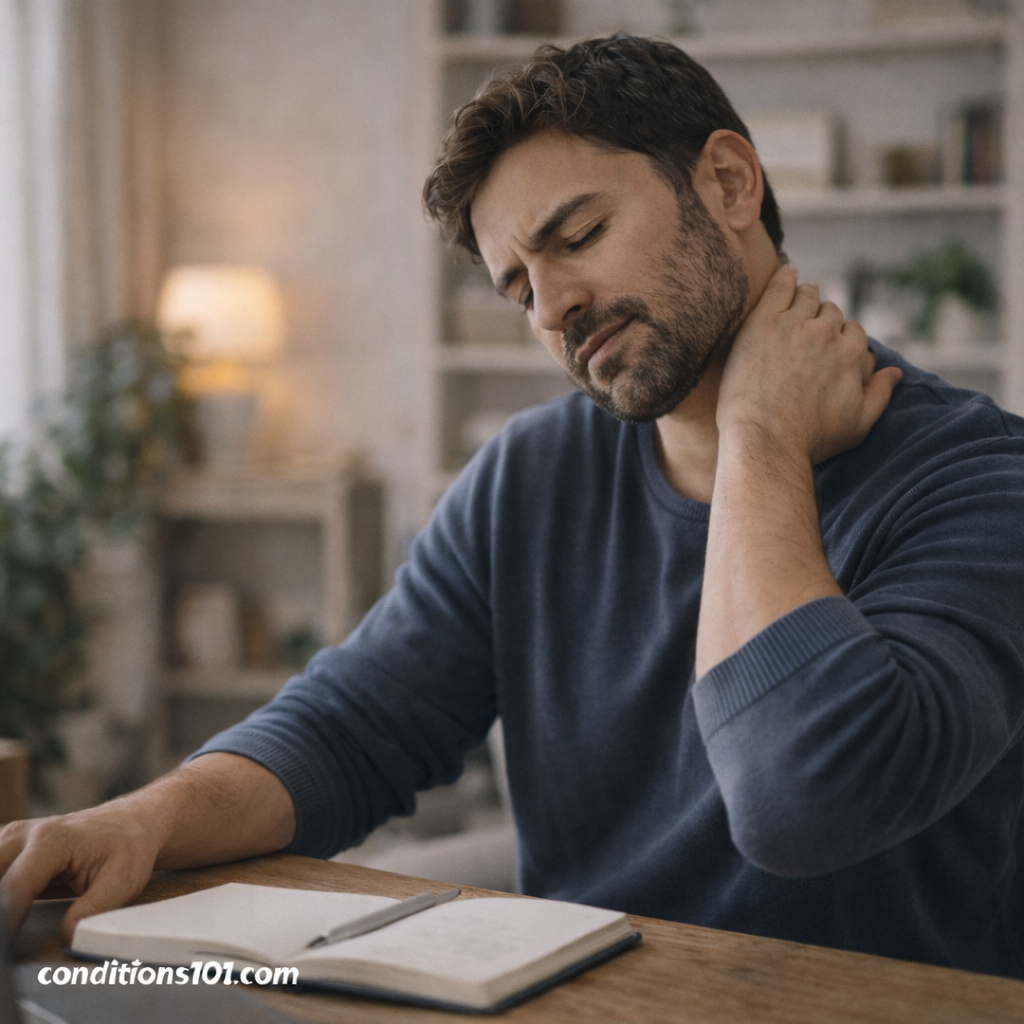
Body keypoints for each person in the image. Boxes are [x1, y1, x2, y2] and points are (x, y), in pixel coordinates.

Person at [2, 34, 1023, 978]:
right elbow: (354, 725)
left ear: (726, 182)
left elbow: (803, 801)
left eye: (576, 235)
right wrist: (140, 819)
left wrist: (758, 434)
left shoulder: (976, 476)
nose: (555, 308)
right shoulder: (527, 475)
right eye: (518, 288)